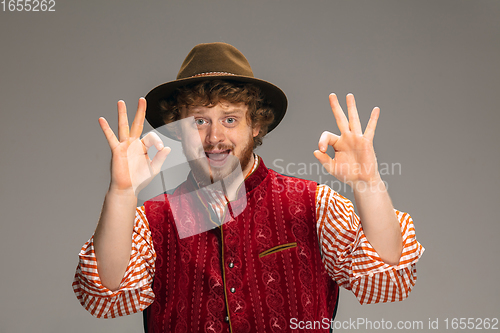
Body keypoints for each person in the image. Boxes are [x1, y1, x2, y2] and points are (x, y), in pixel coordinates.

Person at [73, 42, 424, 333]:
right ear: (177, 129)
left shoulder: (314, 204)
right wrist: (120, 194)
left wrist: (369, 183)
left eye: (230, 119)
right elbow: (104, 295)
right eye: (198, 121)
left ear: (256, 125)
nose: (214, 137)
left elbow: (388, 278)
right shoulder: (152, 220)